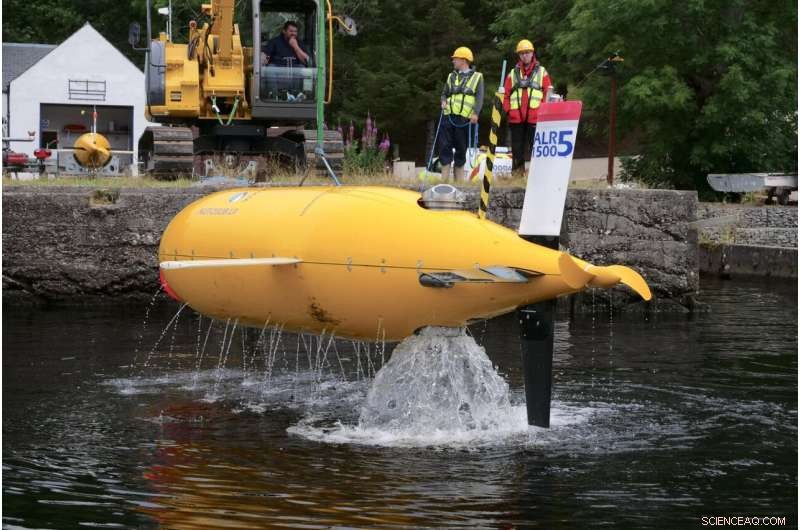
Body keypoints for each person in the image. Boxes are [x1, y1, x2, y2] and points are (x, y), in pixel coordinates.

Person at [502, 39, 552, 174]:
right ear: (519, 55)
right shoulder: (512, 73)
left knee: (537, 148)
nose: (524, 55)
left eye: (527, 52)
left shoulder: (542, 71)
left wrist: (543, 111)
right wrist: (508, 111)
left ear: (532, 53)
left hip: (535, 118)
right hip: (516, 118)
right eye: (522, 53)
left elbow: (548, 93)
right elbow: (505, 95)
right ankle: (517, 176)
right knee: (517, 149)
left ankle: (539, 175)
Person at [439, 46, 484, 182]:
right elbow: (444, 93)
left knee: (461, 147)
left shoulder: (477, 77)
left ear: (463, 60)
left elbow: (479, 97)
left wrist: (475, 113)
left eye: (455, 59)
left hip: (464, 119)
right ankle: (444, 179)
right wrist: (443, 101)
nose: (453, 61)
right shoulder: (451, 76)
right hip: (448, 116)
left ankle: (458, 180)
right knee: (444, 145)